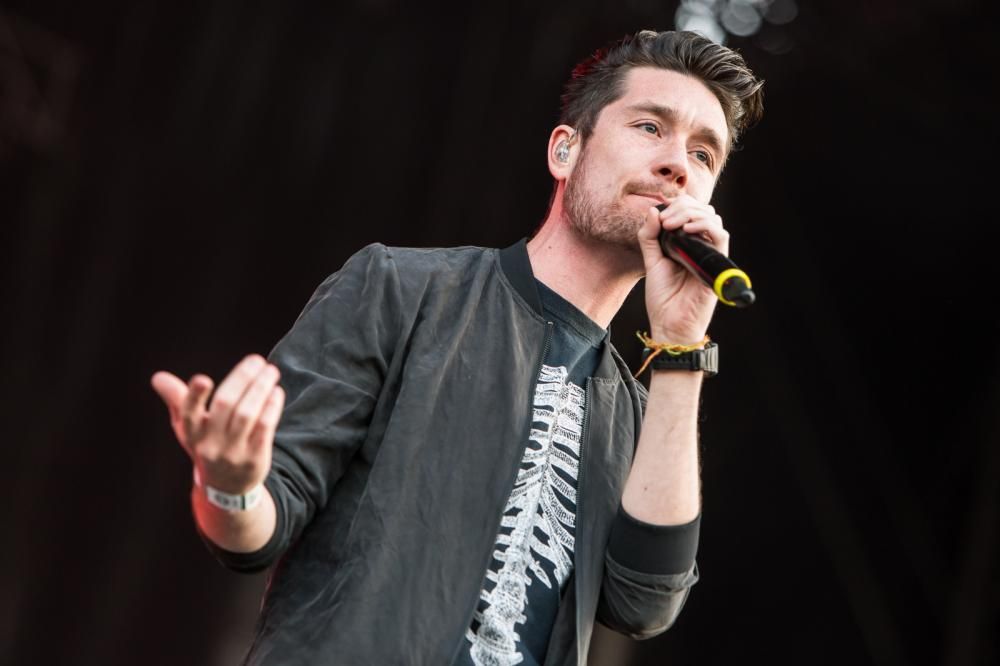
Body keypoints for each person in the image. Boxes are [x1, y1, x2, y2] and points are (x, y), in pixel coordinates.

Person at [151, 29, 763, 666]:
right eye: (649, 127)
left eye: (704, 154)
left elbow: (644, 603)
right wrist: (230, 486)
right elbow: (259, 522)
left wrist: (683, 349)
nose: (677, 165)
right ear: (565, 150)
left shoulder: (638, 414)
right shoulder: (401, 290)